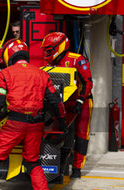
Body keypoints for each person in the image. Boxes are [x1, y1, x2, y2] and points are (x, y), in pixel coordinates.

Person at [0, 39, 67, 190]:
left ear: (10, 55)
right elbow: (55, 101)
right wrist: (62, 123)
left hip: (14, 123)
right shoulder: (42, 74)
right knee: (33, 162)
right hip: (36, 124)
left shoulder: (6, 73)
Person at [41, 32, 93, 179]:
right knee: (60, 133)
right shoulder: (50, 64)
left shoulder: (78, 60)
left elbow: (88, 82)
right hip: (61, 104)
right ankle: (59, 164)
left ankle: (77, 168)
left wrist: (81, 100)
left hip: (82, 102)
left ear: (60, 47)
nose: (46, 53)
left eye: (49, 50)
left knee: (82, 134)